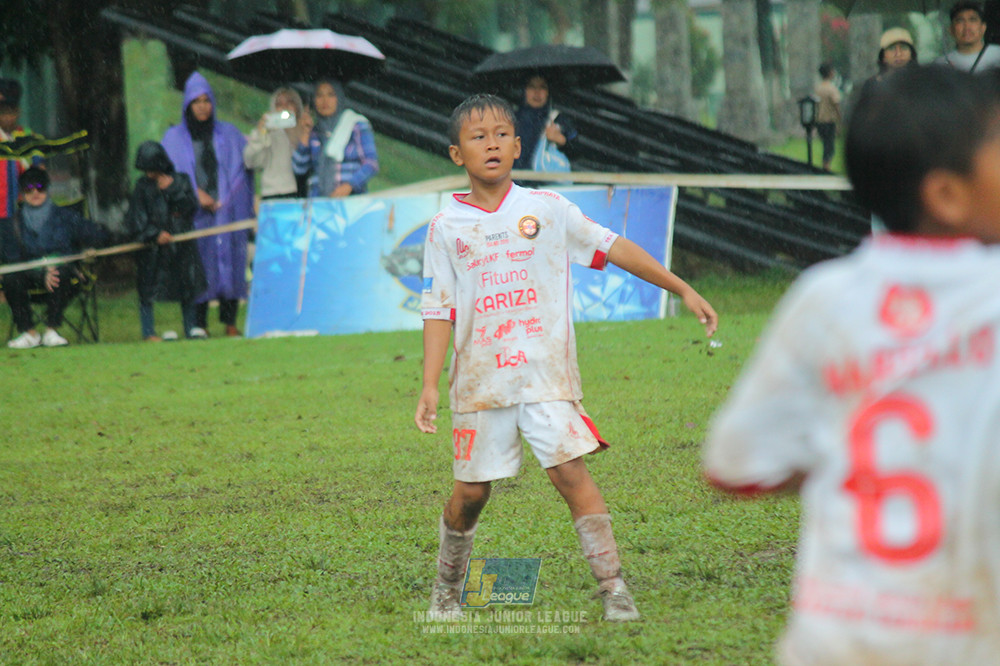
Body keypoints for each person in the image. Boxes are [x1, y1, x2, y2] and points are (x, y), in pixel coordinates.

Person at [704, 66, 1000, 665]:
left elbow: (733, 465)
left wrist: (839, 451)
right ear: (946, 195)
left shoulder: (825, 295)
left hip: (831, 642)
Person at [415, 94, 718, 621]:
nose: (491, 143)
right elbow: (438, 309)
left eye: (501, 134)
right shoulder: (445, 229)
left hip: (546, 379)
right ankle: (446, 588)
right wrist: (427, 385)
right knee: (470, 493)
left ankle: (614, 588)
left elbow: (614, 246)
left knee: (570, 475)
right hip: (481, 385)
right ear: (455, 154)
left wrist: (680, 288)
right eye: (477, 136)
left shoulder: (547, 210)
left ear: (517, 146)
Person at [162, 71, 255, 338]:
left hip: (226, 213)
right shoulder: (174, 139)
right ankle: (198, 325)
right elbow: (167, 176)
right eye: (196, 101)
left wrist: (227, 199)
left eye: (207, 100)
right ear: (188, 105)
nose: (203, 107)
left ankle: (229, 322)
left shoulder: (229, 133)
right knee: (198, 268)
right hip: (194, 215)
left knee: (231, 265)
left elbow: (243, 169)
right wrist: (194, 193)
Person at [1, 167, 106, 349]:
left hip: (63, 274)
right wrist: (42, 273)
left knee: (60, 273)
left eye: (40, 187)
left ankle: (52, 329)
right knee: (10, 278)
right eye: (29, 188)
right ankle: (29, 332)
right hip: (29, 276)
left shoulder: (66, 217)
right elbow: (13, 259)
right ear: (22, 193)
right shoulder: (12, 225)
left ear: (48, 189)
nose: (35, 193)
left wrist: (88, 250)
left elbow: (98, 235)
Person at [126, 141, 207, 342]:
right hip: (153, 250)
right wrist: (154, 233)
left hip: (181, 246)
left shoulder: (182, 181)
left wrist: (171, 190)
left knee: (186, 287)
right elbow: (136, 218)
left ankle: (190, 327)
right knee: (148, 288)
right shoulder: (141, 187)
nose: (149, 174)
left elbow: (190, 207)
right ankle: (148, 332)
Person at [292, 80, 379, 198]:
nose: (324, 101)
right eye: (319, 95)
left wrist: (349, 185)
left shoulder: (355, 124)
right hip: (319, 201)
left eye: (330, 95)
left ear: (339, 97)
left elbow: (371, 163)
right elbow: (299, 168)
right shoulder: (315, 132)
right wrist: (305, 133)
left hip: (351, 200)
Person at [243, 87, 306, 200]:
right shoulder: (266, 132)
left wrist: (297, 132)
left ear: (297, 107)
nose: (284, 107)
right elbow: (250, 162)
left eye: (290, 103)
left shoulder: (306, 132)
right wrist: (260, 134)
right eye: (279, 104)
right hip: (271, 193)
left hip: (299, 192)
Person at [512, 74, 579, 175]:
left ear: (548, 92)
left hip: (545, 185)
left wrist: (561, 140)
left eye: (542, 87)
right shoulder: (510, 119)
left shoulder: (557, 119)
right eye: (532, 86)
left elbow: (577, 151)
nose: (537, 92)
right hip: (513, 183)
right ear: (524, 90)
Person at [936, 1, 1000, 72]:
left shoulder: (997, 55)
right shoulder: (941, 64)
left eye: (972, 20)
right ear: (951, 30)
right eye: (960, 21)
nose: (967, 27)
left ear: (983, 28)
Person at [0, 79, 31, 221]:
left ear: (18, 111)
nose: (6, 117)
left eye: (10, 111)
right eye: (2, 111)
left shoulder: (28, 137)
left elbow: (38, 174)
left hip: (22, 216)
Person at [813, 63, 841, 172]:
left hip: (819, 121)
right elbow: (836, 104)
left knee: (826, 144)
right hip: (829, 121)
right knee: (830, 146)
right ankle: (826, 167)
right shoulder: (831, 88)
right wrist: (839, 119)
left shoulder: (818, 88)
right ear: (830, 73)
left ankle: (825, 165)